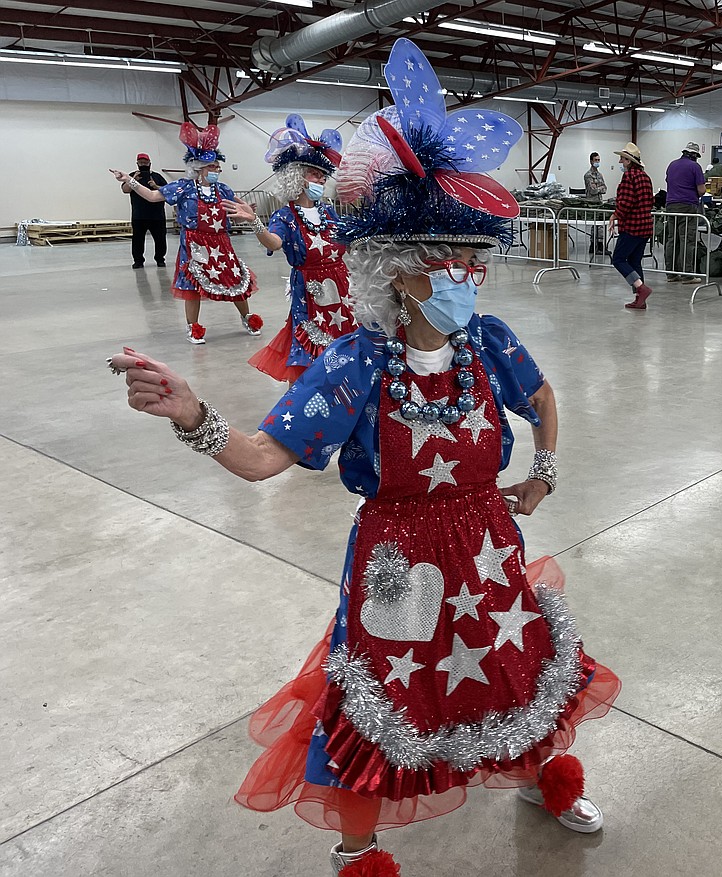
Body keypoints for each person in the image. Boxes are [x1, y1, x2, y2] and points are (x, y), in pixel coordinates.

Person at [109, 39, 619, 877]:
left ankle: (540, 772)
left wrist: (544, 473)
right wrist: (193, 414)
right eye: (448, 262)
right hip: (396, 558)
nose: (467, 276)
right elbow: (265, 458)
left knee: (512, 661)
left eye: (473, 261)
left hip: (489, 541)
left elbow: (545, 399)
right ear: (399, 272)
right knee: (384, 695)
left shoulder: (486, 343)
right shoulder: (354, 361)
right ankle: (360, 846)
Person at [110, 123, 261, 345]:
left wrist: (247, 210)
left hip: (222, 243)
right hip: (194, 244)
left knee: (233, 279)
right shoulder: (183, 188)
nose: (217, 171)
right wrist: (129, 180)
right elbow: (153, 196)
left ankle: (246, 317)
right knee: (192, 285)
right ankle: (194, 326)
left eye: (218, 167)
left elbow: (238, 209)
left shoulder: (224, 190)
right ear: (198, 168)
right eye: (212, 167)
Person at [232, 115, 354, 384]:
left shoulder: (329, 211)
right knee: (309, 342)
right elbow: (274, 243)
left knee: (346, 337)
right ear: (297, 176)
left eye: (323, 176)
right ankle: (304, 396)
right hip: (309, 289)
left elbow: (347, 239)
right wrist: (255, 223)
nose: (320, 180)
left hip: (341, 285)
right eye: (314, 174)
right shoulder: (284, 216)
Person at [609, 142, 655, 309]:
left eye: (622, 158)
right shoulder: (645, 177)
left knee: (619, 259)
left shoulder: (629, 177)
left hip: (632, 226)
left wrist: (615, 215)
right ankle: (640, 299)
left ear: (628, 161)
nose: (620, 161)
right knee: (635, 262)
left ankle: (641, 289)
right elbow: (651, 201)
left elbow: (626, 202)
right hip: (645, 226)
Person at [663, 141, 706, 282]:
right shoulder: (695, 167)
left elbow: (669, 182)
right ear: (694, 155)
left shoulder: (672, 165)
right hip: (688, 206)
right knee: (687, 240)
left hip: (670, 205)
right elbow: (701, 190)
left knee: (672, 239)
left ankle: (671, 273)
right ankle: (687, 274)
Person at [120, 152, 168, 269]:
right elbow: (125, 190)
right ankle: (138, 261)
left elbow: (168, 191)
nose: (143, 164)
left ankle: (160, 259)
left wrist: (156, 186)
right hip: (139, 215)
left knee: (160, 238)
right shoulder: (131, 176)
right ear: (137, 163)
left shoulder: (157, 177)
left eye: (145, 162)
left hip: (157, 215)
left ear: (150, 163)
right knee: (138, 239)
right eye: (141, 163)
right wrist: (133, 180)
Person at [584, 151, 609, 256]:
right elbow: (592, 190)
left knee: (601, 225)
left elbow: (605, 189)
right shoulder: (588, 175)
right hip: (592, 202)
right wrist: (600, 188)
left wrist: (598, 187)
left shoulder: (600, 175)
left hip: (599, 201)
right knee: (595, 225)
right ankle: (593, 246)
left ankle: (600, 245)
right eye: (596, 160)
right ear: (591, 161)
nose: (597, 162)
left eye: (599, 160)